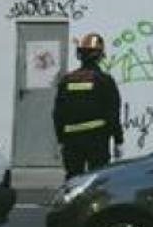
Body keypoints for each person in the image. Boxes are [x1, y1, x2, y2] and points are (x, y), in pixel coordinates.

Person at [52, 33, 123, 179]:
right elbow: (113, 113)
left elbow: (58, 113)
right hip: (97, 139)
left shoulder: (66, 80)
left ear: (80, 55)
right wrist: (118, 140)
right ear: (100, 56)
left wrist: (60, 139)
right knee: (97, 179)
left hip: (71, 140)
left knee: (72, 179)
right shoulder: (104, 80)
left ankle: (71, 201)